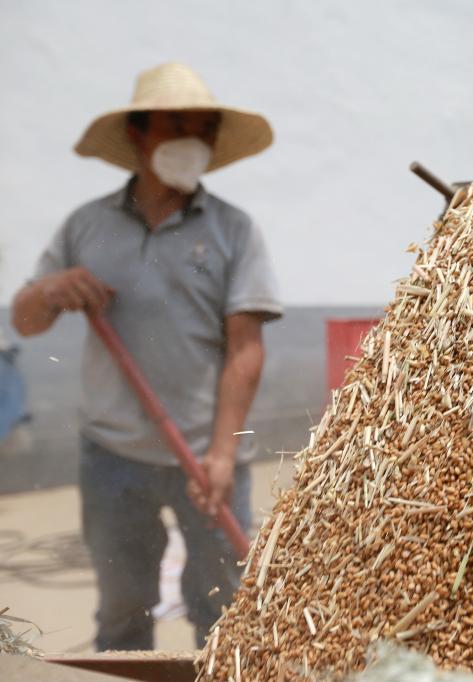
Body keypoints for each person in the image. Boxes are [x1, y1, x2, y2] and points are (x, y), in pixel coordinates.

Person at [10, 63, 281, 650]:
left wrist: (222, 453)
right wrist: (51, 290)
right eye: (176, 124)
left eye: (204, 128)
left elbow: (245, 349)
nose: (193, 139)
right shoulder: (87, 226)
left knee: (225, 614)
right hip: (113, 457)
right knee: (122, 614)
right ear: (137, 132)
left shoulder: (233, 231)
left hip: (207, 458)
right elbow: (24, 322)